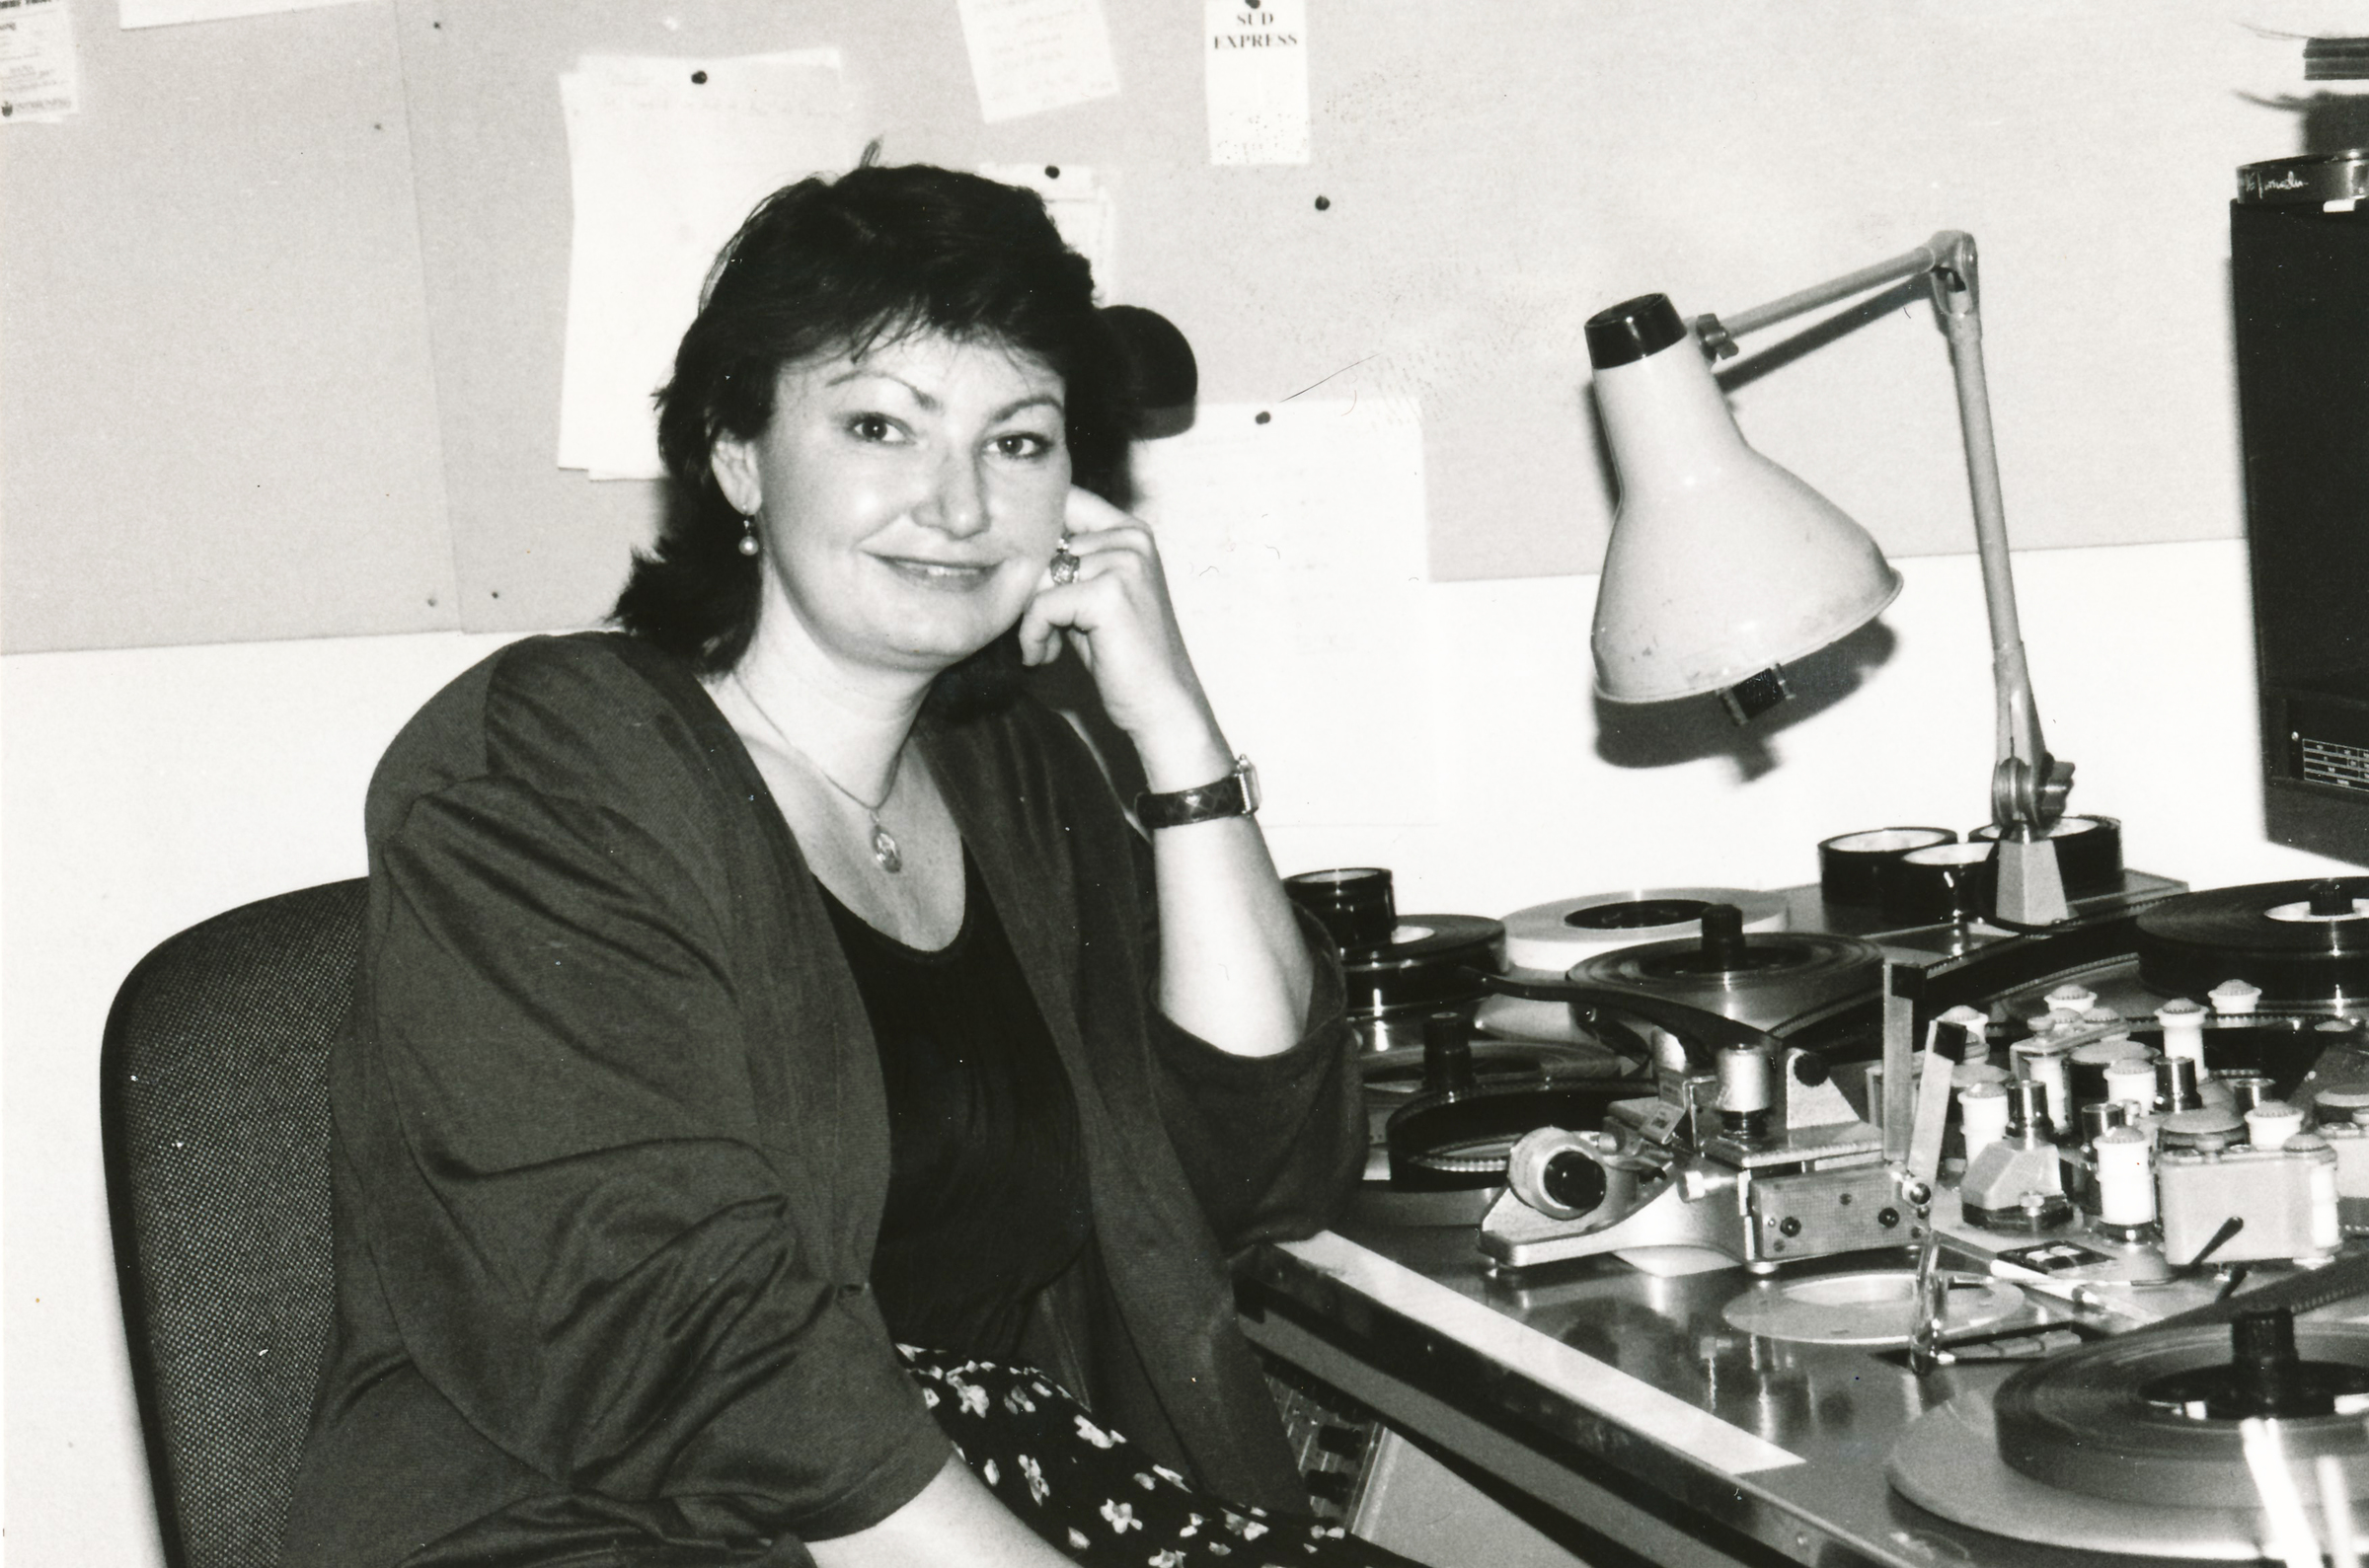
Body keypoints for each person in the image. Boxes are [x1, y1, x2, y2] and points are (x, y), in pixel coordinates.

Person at [280, 162, 1403, 1567]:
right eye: (882, 425)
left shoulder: (1018, 777)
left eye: (1018, 441)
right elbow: (677, 1329)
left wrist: (1174, 731)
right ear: (739, 458)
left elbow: (1251, 1172)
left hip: (980, 1503)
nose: (959, 504)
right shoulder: (550, 763)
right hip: (619, 1532)